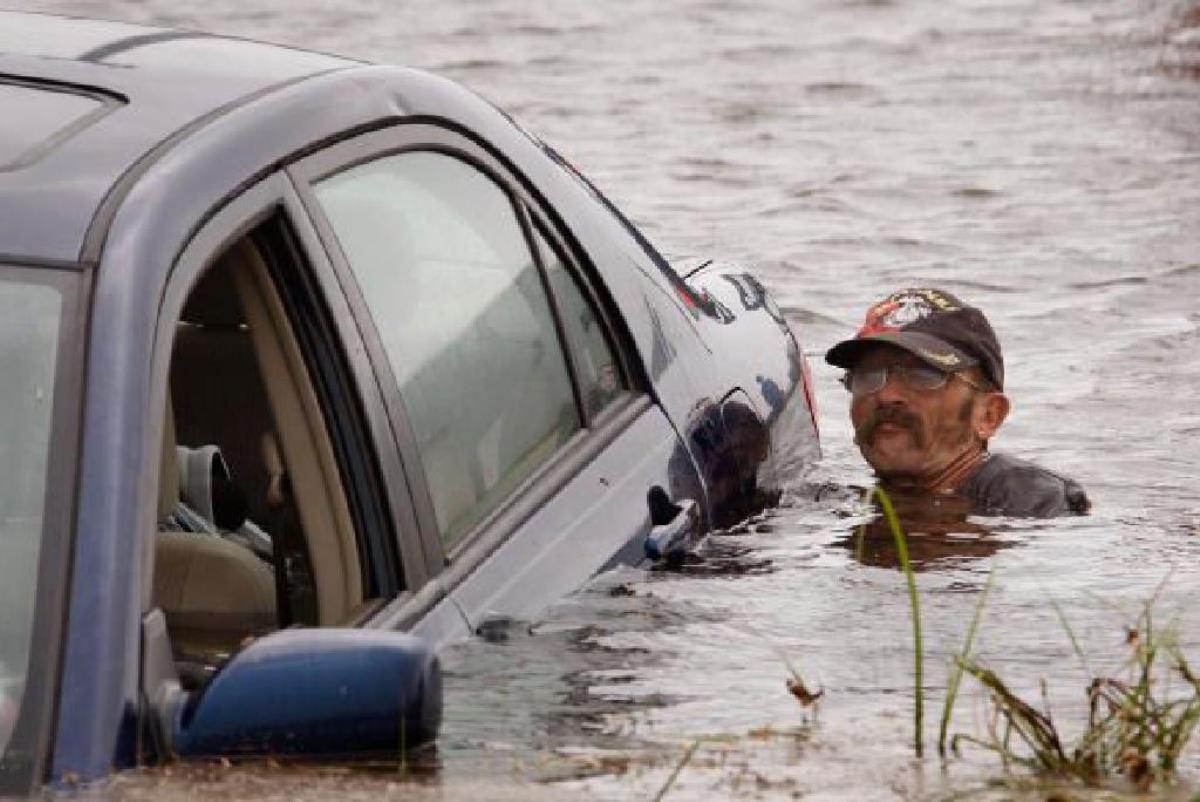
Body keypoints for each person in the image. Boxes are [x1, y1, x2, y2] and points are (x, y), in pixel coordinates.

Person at [826, 287, 1089, 517]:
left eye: (923, 375)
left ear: (989, 415)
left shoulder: (1028, 500)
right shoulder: (833, 499)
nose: (886, 395)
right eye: (869, 375)